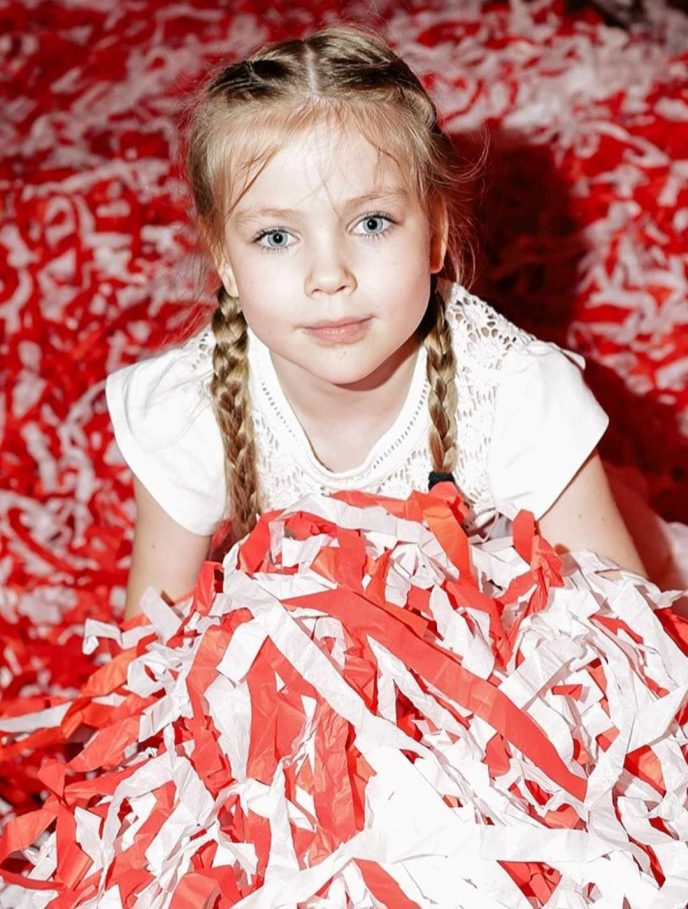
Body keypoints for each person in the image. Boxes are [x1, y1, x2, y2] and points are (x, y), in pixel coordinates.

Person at [104, 26, 654, 624]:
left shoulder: (513, 395)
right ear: (226, 262)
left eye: (371, 223)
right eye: (277, 236)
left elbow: (627, 639)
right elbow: (146, 649)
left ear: (436, 234)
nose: (329, 276)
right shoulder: (191, 406)